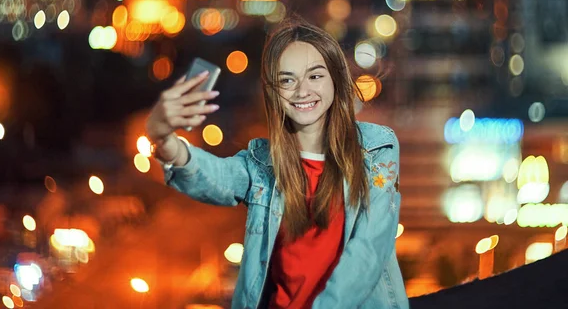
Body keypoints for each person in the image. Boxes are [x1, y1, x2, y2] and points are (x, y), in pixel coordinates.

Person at [145, 19, 409, 309]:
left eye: (315, 76)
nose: (301, 91)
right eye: (287, 80)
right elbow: (216, 177)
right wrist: (164, 138)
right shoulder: (263, 163)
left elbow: (368, 251)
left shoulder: (376, 148)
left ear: (336, 78)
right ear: (273, 91)